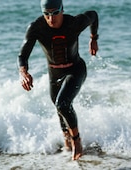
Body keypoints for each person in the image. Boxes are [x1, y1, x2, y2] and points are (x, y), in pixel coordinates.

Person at [17, 0, 99, 160]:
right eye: (46, 14)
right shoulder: (36, 28)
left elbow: (93, 15)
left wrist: (94, 37)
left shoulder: (74, 23)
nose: (51, 18)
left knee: (62, 103)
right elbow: (22, 55)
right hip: (54, 74)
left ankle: (77, 141)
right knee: (59, 108)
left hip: (75, 69)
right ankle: (67, 144)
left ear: (62, 10)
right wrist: (23, 72)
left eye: (55, 13)